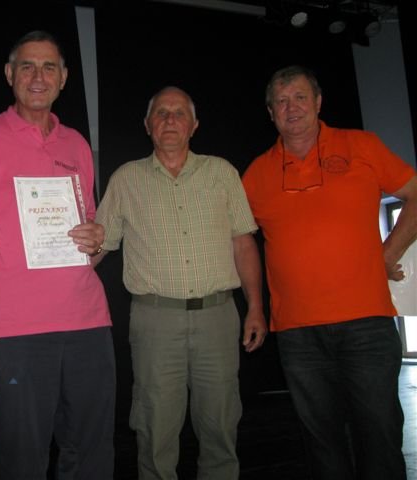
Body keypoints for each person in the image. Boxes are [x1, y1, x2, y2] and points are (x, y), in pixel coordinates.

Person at [0, 30, 115, 479]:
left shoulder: (76, 144)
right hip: (13, 331)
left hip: (88, 324)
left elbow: (87, 227)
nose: (38, 77)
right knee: (20, 460)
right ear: (9, 74)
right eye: (27, 66)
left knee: (92, 455)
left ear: (64, 77)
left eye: (48, 67)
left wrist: (96, 237)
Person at [242, 65, 417, 480]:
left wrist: (388, 252)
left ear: (318, 103)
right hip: (298, 334)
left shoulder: (361, 146)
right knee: (321, 444)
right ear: (271, 113)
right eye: (281, 101)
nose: (292, 107)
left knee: (380, 436)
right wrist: (254, 308)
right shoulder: (256, 174)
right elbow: (239, 240)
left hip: (366, 324)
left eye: (300, 97)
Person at [94, 86, 268, 480]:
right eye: (161, 113)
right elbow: (101, 243)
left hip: (218, 317)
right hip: (155, 322)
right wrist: (52, 261)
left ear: (194, 125)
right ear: (147, 125)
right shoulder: (126, 179)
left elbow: (244, 243)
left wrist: (255, 307)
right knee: (155, 427)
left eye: (179, 113)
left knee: (221, 424)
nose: (169, 120)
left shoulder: (222, 173)